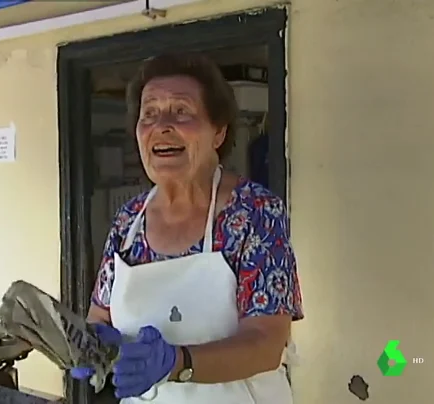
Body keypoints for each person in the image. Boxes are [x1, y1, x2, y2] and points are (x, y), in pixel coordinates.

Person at [70, 53, 303, 403]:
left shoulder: (255, 213)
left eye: (181, 111)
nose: (162, 125)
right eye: (149, 113)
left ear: (218, 132)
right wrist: (92, 345)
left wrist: (178, 362)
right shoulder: (127, 222)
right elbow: (99, 315)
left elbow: (266, 343)